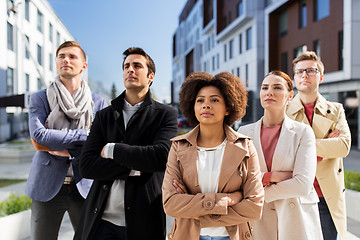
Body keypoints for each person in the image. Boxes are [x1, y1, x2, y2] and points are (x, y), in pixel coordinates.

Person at [73, 47, 178, 240]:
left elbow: (161, 157)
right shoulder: (104, 115)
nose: (130, 69)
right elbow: (86, 166)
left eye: (137, 65)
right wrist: (136, 167)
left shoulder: (165, 115)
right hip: (100, 221)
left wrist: (113, 149)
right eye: (126, 66)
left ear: (150, 76)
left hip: (143, 220)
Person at [162, 72, 264, 240]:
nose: (206, 105)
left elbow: (254, 207)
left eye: (214, 100)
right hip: (188, 235)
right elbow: (170, 204)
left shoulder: (245, 147)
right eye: (200, 100)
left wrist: (192, 207)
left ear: (228, 108)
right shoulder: (178, 147)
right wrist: (231, 198)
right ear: (193, 107)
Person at [26, 41, 107, 240]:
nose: (66, 60)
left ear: (84, 65)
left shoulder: (99, 102)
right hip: (47, 186)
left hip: (85, 186)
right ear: (56, 62)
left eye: (72, 56)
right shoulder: (40, 98)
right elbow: (40, 137)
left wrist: (69, 150)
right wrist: (85, 134)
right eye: (61, 56)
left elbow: (101, 145)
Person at [238, 71, 323, 240]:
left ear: (289, 96)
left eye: (277, 87)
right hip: (257, 217)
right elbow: (238, 179)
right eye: (264, 88)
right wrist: (273, 176)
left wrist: (257, 192)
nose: (269, 92)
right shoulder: (243, 132)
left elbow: (302, 184)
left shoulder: (303, 132)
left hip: (295, 216)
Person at [287, 51, 351, 240]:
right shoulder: (283, 112)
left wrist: (302, 147)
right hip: (295, 194)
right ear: (295, 78)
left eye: (310, 70)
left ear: (321, 77)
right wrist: (325, 147)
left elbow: (343, 146)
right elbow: (282, 153)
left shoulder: (336, 109)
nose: (304, 75)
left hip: (325, 197)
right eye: (299, 72)